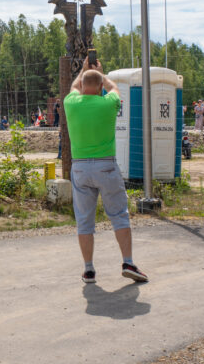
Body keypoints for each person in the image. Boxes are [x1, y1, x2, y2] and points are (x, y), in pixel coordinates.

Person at [63, 56, 148, 285]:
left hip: (80, 167)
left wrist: (83, 70)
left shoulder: (71, 103)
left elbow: (73, 86)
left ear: (82, 87)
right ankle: (128, 262)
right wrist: (102, 74)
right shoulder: (108, 102)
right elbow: (115, 88)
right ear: (100, 87)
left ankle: (89, 270)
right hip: (106, 165)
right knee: (119, 215)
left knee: (84, 221)